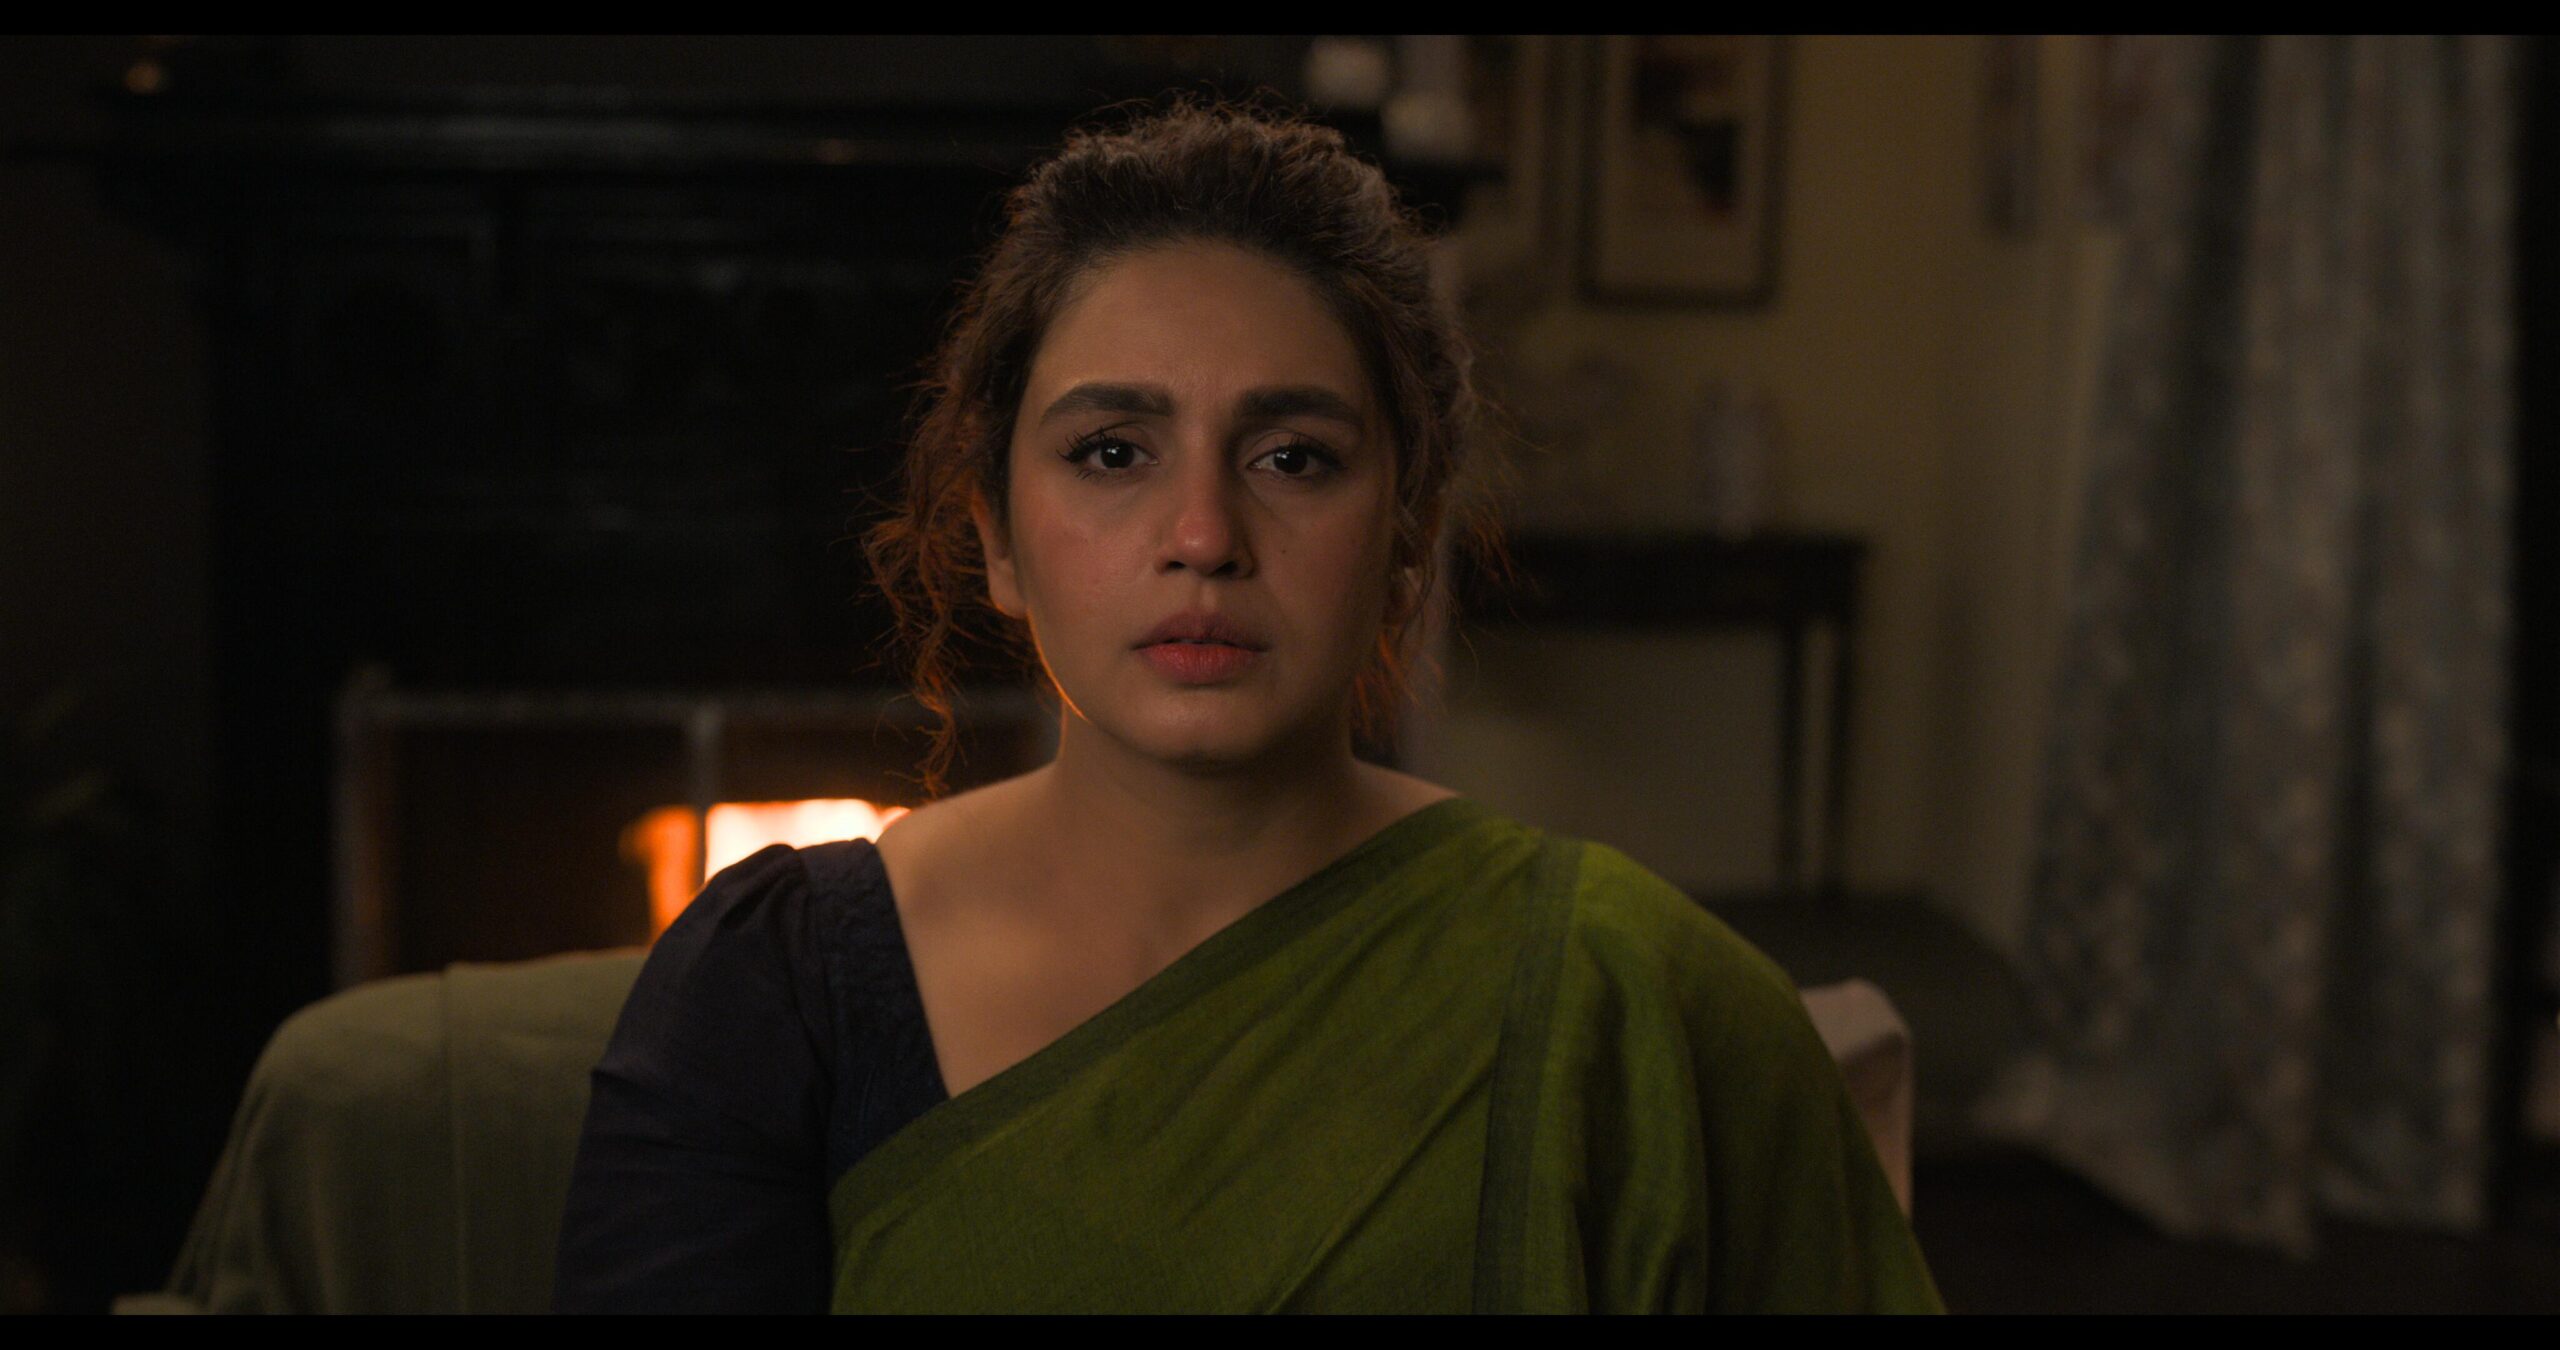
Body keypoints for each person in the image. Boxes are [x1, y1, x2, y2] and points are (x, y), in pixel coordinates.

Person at [554, 97, 1945, 1314]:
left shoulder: (1639, 995)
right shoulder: (776, 983)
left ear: (1405, 543)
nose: (1205, 535)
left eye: (1293, 457)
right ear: (997, 540)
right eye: (1113, 452)